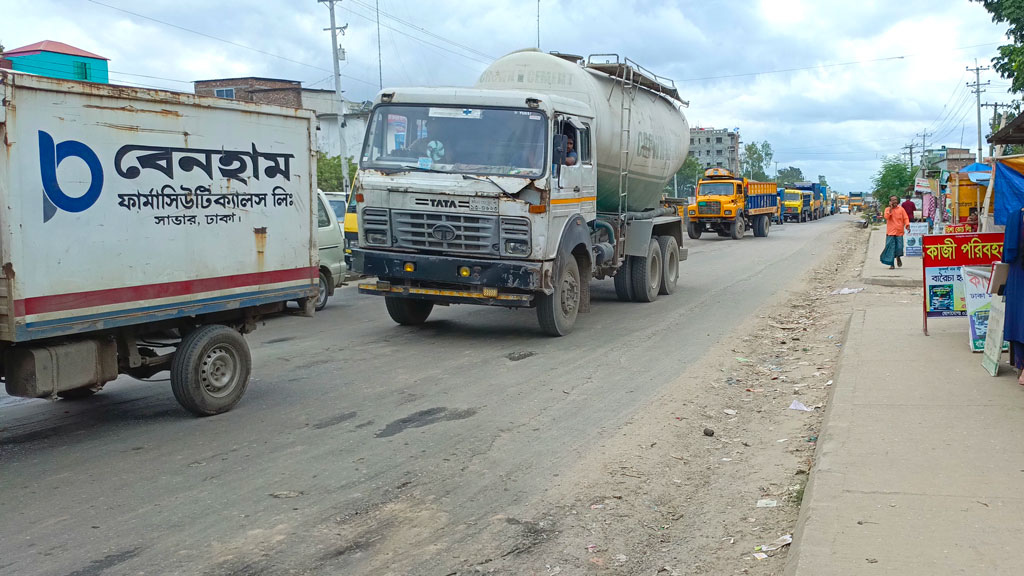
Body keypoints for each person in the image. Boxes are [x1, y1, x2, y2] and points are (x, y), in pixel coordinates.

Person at [881, 195, 910, 269]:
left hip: (899, 232)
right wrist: (890, 208)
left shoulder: (901, 209)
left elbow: (905, 218)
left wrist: (907, 225)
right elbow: (886, 217)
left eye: (895, 200)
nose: (894, 201)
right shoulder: (887, 209)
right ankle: (892, 264)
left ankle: (898, 257)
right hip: (890, 232)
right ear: (890, 201)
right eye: (893, 200)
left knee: (899, 248)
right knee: (891, 248)